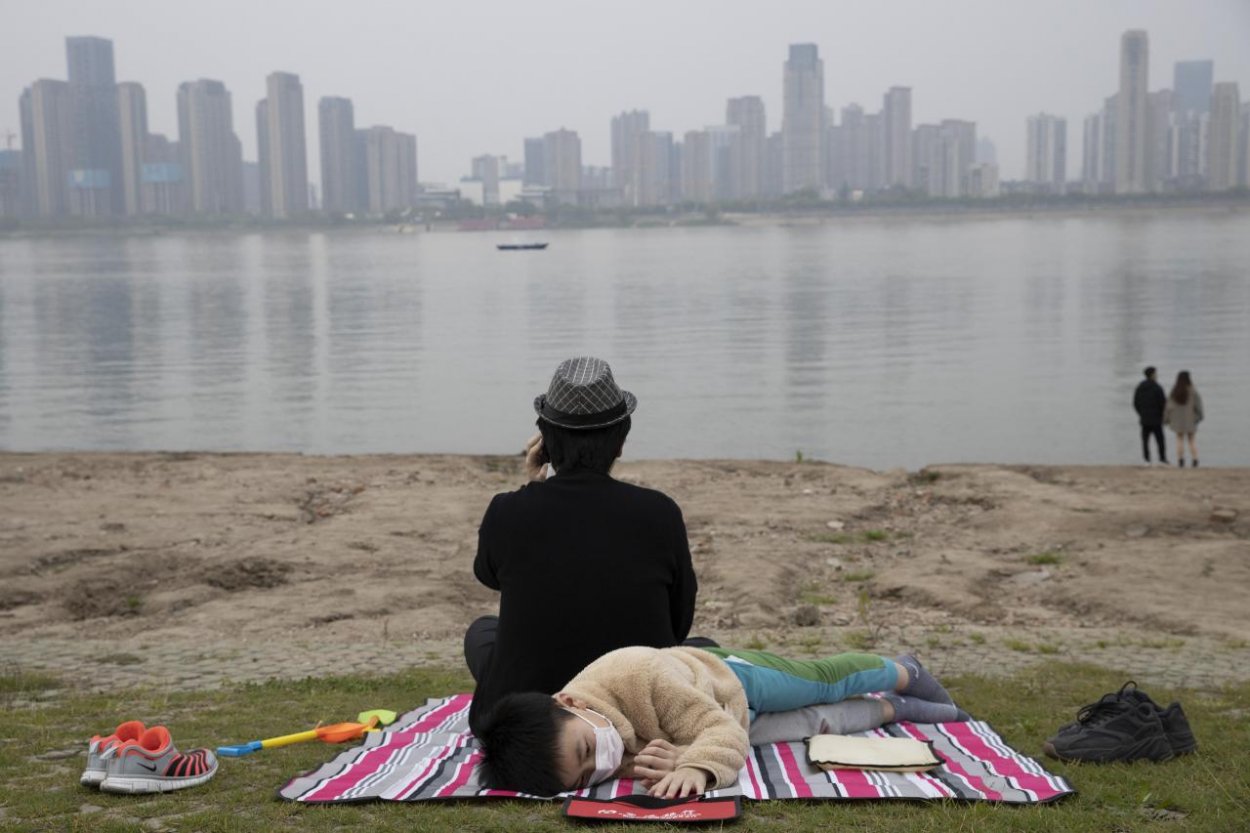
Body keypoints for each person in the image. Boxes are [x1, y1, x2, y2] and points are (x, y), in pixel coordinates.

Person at [464, 357, 700, 734]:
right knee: (703, 649)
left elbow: (490, 575)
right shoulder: (660, 512)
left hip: (524, 714)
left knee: (481, 633)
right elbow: (678, 625)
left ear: (545, 441)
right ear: (620, 442)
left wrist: (534, 488)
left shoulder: (507, 510)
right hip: (637, 709)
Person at [476, 646, 966, 798]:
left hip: (730, 681)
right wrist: (675, 758)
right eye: (584, 777)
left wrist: (698, 768)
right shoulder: (599, 742)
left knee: (820, 684)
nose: (601, 766)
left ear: (567, 702)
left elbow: (720, 734)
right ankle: (895, 710)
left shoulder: (639, 675)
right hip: (720, 722)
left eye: (587, 750)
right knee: (818, 723)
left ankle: (903, 671)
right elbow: (701, 742)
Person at [1163, 370, 1204, 468]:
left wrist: (1166, 419)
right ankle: (1195, 460)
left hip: (1177, 420)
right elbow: (1199, 407)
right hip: (1190, 419)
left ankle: (1180, 460)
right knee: (1192, 440)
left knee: (1179, 439)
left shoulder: (1174, 391)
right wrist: (1198, 418)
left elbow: (1168, 407)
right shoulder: (1193, 391)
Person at [1133, 366, 1168, 465]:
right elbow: (1163, 403)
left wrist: (1141, 413)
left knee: (1145, 440)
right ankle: (1162, 459)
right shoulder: (1158, 387)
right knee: (1160, 439)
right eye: (1156, 373)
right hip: (1156, 418)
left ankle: (1146, 459)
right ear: (1152, 375)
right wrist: (1162, 414)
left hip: (1145, 418)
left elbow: (1135, 402)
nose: (1157, 375)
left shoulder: (1140, 387)